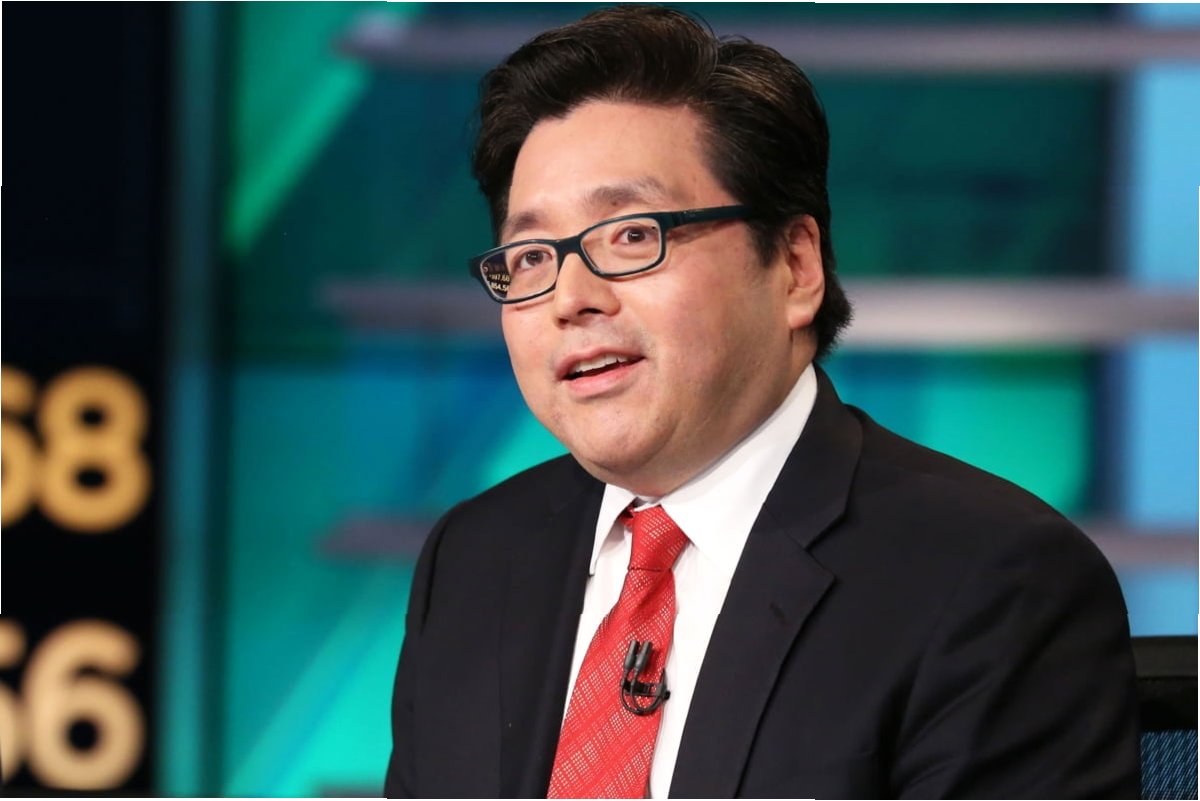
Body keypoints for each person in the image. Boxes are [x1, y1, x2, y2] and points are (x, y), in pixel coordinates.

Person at [385, 5, 1139, 798]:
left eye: (632, 235)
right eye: (531, 256)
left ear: (794, 266)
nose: (571, 297)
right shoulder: (474, 559)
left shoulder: (993, 581)